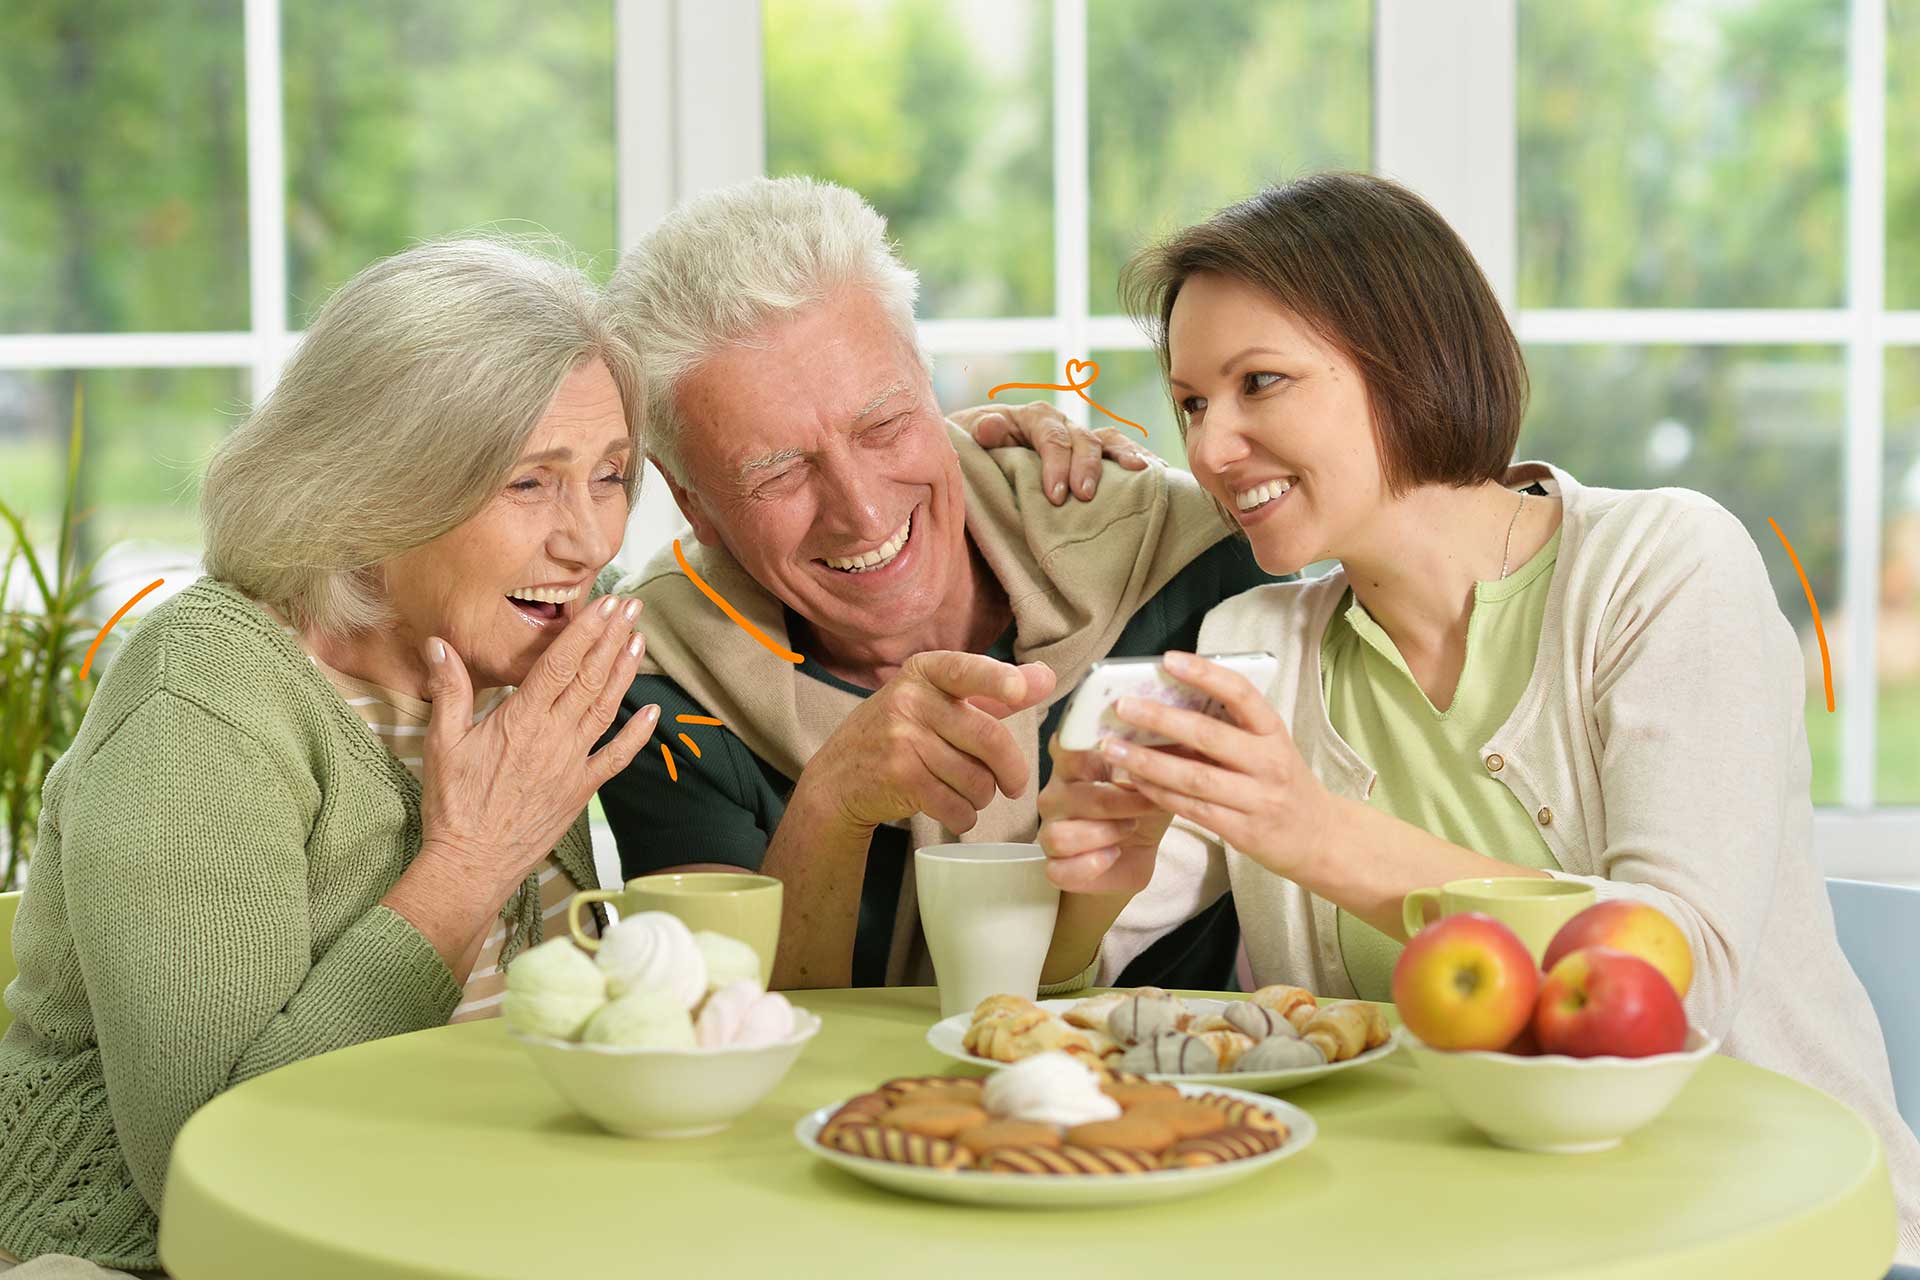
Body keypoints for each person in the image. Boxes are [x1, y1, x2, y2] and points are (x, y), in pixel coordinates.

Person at [1034, 171, 1920, 1263]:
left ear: (1410, 360)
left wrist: (1315, 834)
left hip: (1750, 1229)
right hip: (1431, 1239)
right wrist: (1091, 892)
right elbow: (1047, 996)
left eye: (1260, 381)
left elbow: (1673, 976)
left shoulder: (1663, 566)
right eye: (1192, 404)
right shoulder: (1250, 645)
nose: (1213, 447)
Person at [0, 239, 660, 1274]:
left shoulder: (511, 670)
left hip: (444, 1228)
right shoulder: (205, 694)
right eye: (530, 482)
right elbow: (208, 1165)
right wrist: (468, 864)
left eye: (611, 476)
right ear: (376, 486)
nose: (587, 540)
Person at [597, 176, 1283, 991]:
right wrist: (830, 806)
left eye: (884, 425)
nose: (860, 511)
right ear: (692, 504)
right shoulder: (654, 686)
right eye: (778, 472)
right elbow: (717, 1018)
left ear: (932, 390)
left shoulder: (1190, 561)